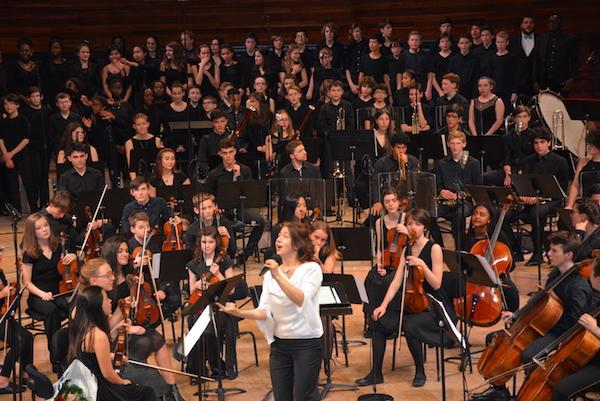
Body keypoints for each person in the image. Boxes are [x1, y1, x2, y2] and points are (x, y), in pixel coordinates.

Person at [472, 231, 591, 401]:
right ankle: (498, 388)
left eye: (554, 251)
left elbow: (575, 322)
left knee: (530, 355)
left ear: (569, 255)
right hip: (540, 326)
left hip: (558, 333)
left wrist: (552, 314)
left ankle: (531, 394)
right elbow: (536, 302)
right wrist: (517, 315)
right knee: (494, 337)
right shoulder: (555, 274)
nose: (548, 254)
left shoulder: (578, 286)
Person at [218, 222, 323, 401]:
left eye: (285, 236)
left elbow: (301, 299)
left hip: (307, 344)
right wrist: (240, 313)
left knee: (303, 397)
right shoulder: (270, 275)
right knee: (282, 396)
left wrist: (278, 275)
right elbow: (264, 311)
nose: (278, 239)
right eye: (279, 235)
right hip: (280, 345)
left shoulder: (311, 269)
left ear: (297, 244)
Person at [367, 208, 448, 387]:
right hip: (410, 299)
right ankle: (376, 373)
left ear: (425, 228)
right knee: (378, 320)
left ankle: (420, 371)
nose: (413, 227)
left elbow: (436, 284)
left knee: (411, 326)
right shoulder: (407, 249)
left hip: (430, 303)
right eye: (410, 223)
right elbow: (396, 282)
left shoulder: (434, 248)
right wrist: (384, 305)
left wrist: (422, 265)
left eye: (417, 224)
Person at [98, 239, 186, 400]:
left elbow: (143, 294)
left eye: (126, 250)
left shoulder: (129, 272)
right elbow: (105, 326)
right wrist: (124, 320)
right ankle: (162, 392)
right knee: (147, 342)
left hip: (128, 323)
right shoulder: (105, 282)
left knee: (157, 338)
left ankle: (173, 391)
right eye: (120, 251)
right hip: (112, 335)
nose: (125, 254)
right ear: (111, 253)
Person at [68, 285, 156, 400]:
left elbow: (90, 356)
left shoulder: (83, 327)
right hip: (100, 388)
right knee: (147, 392)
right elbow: (108, 374)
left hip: (87, 380)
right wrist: (123, 382)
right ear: (97, 305)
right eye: (106, 298)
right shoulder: (99, 335)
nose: (109, 300)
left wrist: (114, 333)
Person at [21, 212, 75, 372]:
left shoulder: (58, 245)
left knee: (74, 308)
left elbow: (68, 268)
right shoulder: (30, 253)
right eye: (39, 228)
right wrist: (42, 294)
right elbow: (27, 283)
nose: (44, 229)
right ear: (32, 232)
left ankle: (72, 351)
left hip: (58, 291)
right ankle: (56, 357)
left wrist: (72, 256)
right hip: (38, 295)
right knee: (51, 312)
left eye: (45, 225)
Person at [185, 226, 240, 379]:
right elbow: (191, 291)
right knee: (195, 324)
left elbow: (232, 290)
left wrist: (218, 274)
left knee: (207, 329)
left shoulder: (225, 260)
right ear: (199, 243)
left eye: (210, 242)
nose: (207, 245)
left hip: (220, 306)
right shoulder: (193, 264)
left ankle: (217, 367)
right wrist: (196, 285)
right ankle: (198, 369)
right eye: (203, 242)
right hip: (201, 306)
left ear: (216, 243)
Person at [513, 128, 569, 265]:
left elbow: (561, 189)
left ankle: (538, 253)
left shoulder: (560, 161)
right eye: (536, 143)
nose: (539, 146)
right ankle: (516, 251)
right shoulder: (528, 161)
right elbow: (524, 183)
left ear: (549, 142)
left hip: (552, 201)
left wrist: (539, 198)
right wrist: (525, 196)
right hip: (530, 201)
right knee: (502, 214)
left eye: (542, 142)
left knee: (536, 213)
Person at [550, 256, 600, 401]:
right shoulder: (595, 296)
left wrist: (595, 329)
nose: (588, 274)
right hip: (587, 355)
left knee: (561, 390)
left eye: (591, 272)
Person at [205, 139, 264, 261]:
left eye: (230, 152)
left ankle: (246, 255)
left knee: (260, 221)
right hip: (223, 210)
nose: (228, 156)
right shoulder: (214, 174)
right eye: (225, 153)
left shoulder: (245, 170)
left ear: (235, 152)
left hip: (241, 208)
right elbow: (208, 195)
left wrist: (238, 176)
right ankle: (231, 256)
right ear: (220, 154)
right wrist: (215, 206)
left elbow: (249, 192)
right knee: (226, 225)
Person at [431, 131, 482, 246]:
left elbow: (478, 187)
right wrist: (442, 191)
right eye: (452, 143)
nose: (455, 146)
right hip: (446, 201)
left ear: (464, 144)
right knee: (429, 214)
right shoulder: (441, 163)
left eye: (458, 143)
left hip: (464, 202)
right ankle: (440, 247)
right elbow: (438, 185)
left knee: (459, 215)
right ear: (448, 144)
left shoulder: (473, 163)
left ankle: (461, 249)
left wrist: (462, 195)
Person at [0, 249, 34, 394]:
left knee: (28, 337)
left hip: (2, 316)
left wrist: (12, 290)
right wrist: (2, 293)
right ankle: (3, 380)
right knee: (19, 341)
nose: (1, 255)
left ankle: (26, 372)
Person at [0, 93, 37, 212]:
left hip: (22, 156)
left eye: (11, 103)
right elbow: (1, 140)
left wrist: (11, 154)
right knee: (13, 186)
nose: (8, 106)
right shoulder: (3, 122)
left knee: (29, 184)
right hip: (9, 158)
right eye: (6, 104)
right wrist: (6, 156)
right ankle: (17, 211)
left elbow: (26, 140)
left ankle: (34, 209)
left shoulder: (23, 120)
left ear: (17, 105)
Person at [483, 105, 535, 186]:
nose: (522, 120)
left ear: (529, 118)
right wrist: (508, 175)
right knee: (485, 177)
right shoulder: (507, 137)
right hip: (511, 169)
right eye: (519, 117)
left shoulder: (534, 136)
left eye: (524, 117)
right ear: (514, 119)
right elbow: (506, 158)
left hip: (529, 169)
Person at [370, 133, 420, 214]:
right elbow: (375, 183)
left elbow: (416, 181)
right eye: (398, 147)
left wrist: (406, 164)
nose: (401, 151)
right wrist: (377, 201)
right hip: (388, 199)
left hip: (407, 199)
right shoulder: (382, 162)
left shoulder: (413, 161)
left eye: (404, 148)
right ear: (392, 147)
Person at [532, 14, 577, 94]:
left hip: (562, 80)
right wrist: (535, 80)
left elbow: (574, 60)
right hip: (544, 81)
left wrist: (572, 78)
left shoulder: (569, 39)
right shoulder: (541, 39)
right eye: (550, 22)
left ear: (560, 23)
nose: (552, 24)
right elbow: (536, 60)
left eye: (555, 22)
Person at [23, 86, 51, 208]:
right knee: (36, 175)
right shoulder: (25, 112)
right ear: (29, 98)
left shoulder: (46, 111)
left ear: (41, 97)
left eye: (37, 96)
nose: (35, 99)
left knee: (44, 176)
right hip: (32, 148)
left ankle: (44, 203)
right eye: (33, 96)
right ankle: (34, 205)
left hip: (46, 148)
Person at [124, 113, 164, 180]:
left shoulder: (157, 140)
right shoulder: (129, 143)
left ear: (148, 124)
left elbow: (160, 162)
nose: (141, 126)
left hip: (154, 175)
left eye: (143, 123)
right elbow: (131, 165)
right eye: (138, 125)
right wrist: (135, 181)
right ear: (134, 126)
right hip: (137, 175)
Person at [567, 129, 600, 208]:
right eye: (588, 144)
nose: (588, 147)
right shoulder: (583, 162)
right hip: (586, 204)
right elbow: (575, 185)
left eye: (591, 145)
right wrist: (570, 205)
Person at [399, 31, 435, 101]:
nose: (414, 42)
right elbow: (400, 73)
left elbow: (430, 73)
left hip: (423, 86)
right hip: (408, 88)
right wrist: (400, 87)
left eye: (416, 40)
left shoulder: (426, 55)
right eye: (412, 40)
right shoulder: (403, 56)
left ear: (420, 42)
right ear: (408, 42)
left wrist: (429, 89)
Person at [489, 31, 518, 112]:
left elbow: (515, 75)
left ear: (507, 43)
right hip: (495, 90)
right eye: (498, 42)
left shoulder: (512, 57)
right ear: (495, 43)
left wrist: (514, 92)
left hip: (508, 91)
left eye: (502, 42)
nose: (500, 44)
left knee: (507, 112)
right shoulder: (492, 58)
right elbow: (491, 75)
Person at [509, 16, 537, 97]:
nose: (528, 25)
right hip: (517, 81)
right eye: (526, 22)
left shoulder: (540, 39)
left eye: (531, 23)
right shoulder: (513, 39)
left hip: (534, 82)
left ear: (534, 25)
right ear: (521, 25)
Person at [345, 23, 369, 95]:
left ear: (361, 32)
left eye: (357, 31)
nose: (355, 34)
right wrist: (351, 85)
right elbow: (347, 68)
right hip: (352, 79)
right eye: (353, 32)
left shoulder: (367, 45)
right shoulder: (349, 47)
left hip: (365, 78)